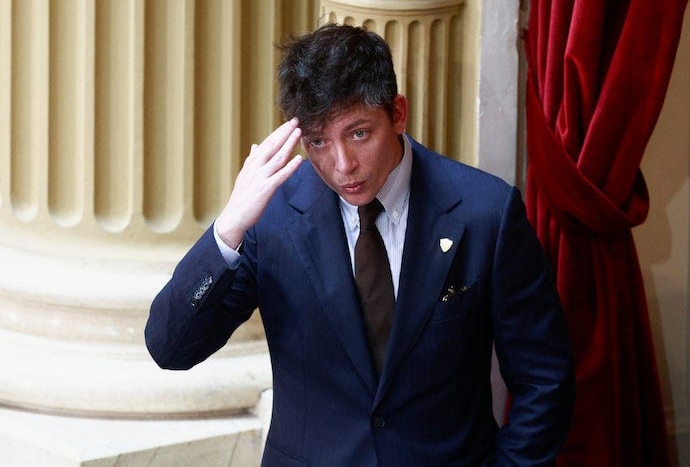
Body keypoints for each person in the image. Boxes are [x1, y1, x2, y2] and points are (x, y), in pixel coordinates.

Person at [145, 23, 574, 466]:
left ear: (398, 113)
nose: (342, 165)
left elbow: (545, 380)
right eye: (318, 142)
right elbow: (170, 348)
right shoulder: (271, 220)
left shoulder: (487, 212)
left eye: (358, 133)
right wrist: (229, 227)